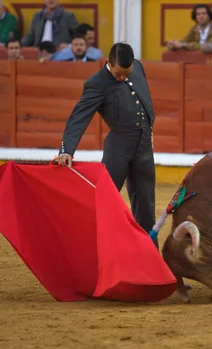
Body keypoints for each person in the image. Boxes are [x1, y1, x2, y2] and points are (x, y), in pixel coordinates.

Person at [56, 42, 158, 248]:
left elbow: (144, 99)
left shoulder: (137, 67)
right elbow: (79, 117)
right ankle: (93, 251)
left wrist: (149, 127)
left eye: (127, 73)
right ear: (109, 63)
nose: (124, 78)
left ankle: (150, 262)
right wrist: (66, 150)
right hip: (118, 148)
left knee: (146, 206)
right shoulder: (97, 83)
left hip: (144, 147)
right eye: (120, 74)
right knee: (105, 202)